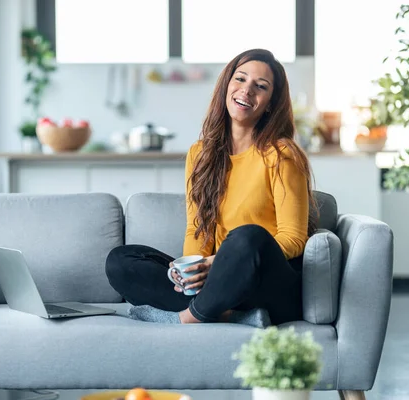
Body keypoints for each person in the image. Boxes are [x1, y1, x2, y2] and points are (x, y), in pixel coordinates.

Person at [105, 48, 317, 328]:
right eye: (240, 79)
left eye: (261, 87)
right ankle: (228, 314)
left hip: (264, 284)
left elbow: (293, 239)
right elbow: (197, 228)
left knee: (248, 237)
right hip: (217, 280)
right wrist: (191, 270)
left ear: (270, 103)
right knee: (121, 260)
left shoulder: (281, 155)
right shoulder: (200, 153)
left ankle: (188, 317)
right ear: (226, 85)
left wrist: (217, 262)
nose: (247, 90)